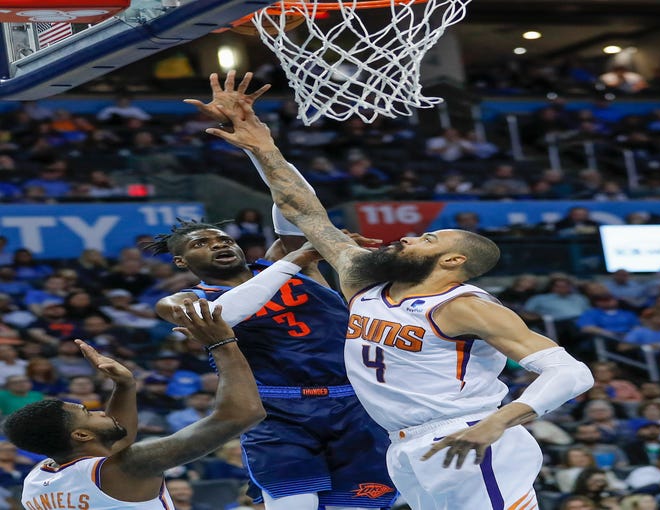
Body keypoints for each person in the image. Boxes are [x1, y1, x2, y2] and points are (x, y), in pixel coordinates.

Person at [198, 70, 594, 510]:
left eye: (428, 239)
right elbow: (304, 211)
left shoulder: (464, 307)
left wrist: (499, 422)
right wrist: (263, 147)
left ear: (453, 261)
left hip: (471, 437)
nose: (408, 237)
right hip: (402, 445)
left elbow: (572, 373)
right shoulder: (361, 279)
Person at [150, 219, 397, 510]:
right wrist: (295, 259)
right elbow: (216, 315)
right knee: (296, 505)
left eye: (225, 239)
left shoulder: (287, 260)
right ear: (181, 261)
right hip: (277, 413)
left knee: (356, 506)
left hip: (354, 403)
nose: (218, 244)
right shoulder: (183, 300)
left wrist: (300, 254)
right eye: (199, 244)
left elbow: (290, 200)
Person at [3, 299, 265, 510]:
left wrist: (125, 385)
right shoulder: (129, 467)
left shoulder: (37, 480)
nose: (97, 411)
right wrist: (220, 342)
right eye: (86, 412)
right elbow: (243, 413)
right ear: (81, 434)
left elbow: (117, 442)